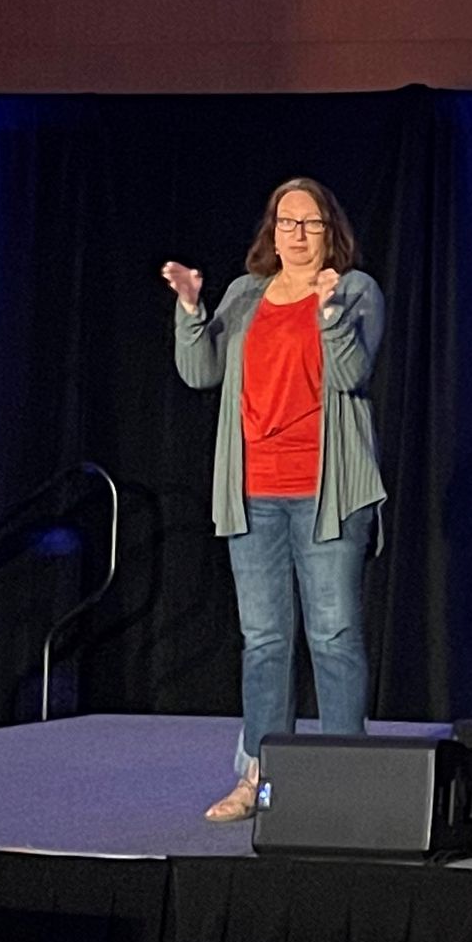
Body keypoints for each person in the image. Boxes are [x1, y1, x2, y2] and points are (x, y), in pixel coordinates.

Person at [160, 179, 386, 822]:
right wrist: (190, 310)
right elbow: (201, 372)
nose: (296, 233)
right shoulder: (244, 294)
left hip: (328, 495)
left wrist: (330, 314)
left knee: (334, 636)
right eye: (286, 221)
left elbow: (349, 376)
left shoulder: (356, 291)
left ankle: (344, 779)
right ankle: (259, 777)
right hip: (253, 494)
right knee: (263, 641)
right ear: (272, 231)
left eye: (309, 223)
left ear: (328, 231)